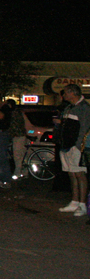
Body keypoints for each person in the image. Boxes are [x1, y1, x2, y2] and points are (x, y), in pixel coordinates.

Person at [56, 84, 90, 216]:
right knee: (72, 173)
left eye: (65, 93)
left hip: (76, 146)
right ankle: (74, 201)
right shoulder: (69, 107)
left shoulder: (84, 108)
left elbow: (84, 128)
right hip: (66, 145)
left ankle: (82, 204)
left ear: (72, 93)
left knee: (80, 174)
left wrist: (78, 145)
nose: (63, 95)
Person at [7, 100, 27, 180]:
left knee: (17, 155)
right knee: (21, 154)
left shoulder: (13, 113)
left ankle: (18, 173)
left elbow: (14, 125)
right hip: (20, 134)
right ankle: (24, 172)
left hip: (18, 135)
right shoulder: (18, 112)